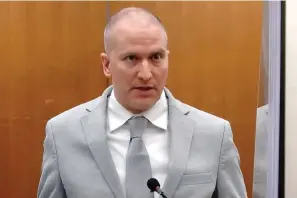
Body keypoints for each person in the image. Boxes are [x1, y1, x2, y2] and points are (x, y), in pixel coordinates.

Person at [37, 7, 247, 198]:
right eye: (131, 58)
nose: (146, 74)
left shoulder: (214, 134)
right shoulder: (63, 134)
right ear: (107, 65)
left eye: (156, 57)